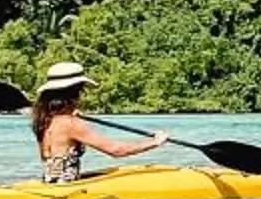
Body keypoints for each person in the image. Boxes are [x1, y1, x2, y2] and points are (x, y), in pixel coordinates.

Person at [28, 61, 164, 182]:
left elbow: (48, 156)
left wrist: (72, 115)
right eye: (81, 90)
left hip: (50, 182)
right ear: (75, 94)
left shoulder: (44, 120)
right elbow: (116, 151)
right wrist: (154, 142)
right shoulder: (71, 124)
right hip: (67, 194)